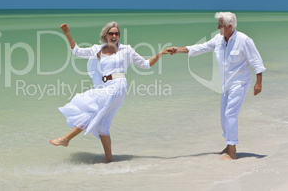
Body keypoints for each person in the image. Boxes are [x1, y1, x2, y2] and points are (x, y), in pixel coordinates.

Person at [49, 22, 173, 163]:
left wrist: (161, 53)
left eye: (116, 33)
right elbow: (76, 50)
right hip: (105, 87)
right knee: (103, 123)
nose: (114, 36)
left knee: (93, 110)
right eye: (111, 33)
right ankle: (108, 158)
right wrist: (67, 33)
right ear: (105, 35)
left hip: (118, 85)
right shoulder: (98, 50)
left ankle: (66, 139)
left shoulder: (127, 50)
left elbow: (145, 64)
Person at [170, 12, 266, 160]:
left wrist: (258, 82)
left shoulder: (244, 40)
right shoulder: (218, 39)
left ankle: (232, 152)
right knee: (223, 116)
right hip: (225, 85)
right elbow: (200, 48)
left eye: (220, 25)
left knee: (230, 114)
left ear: (229, 26)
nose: (218, 27)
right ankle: (228, 145)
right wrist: (179, 50)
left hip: (240, 83)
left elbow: (256, 61)